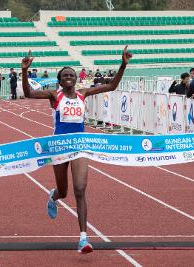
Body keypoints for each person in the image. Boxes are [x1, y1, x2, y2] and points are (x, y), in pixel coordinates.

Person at [21, 46, 132, 254]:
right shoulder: (54, 96)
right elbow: (28, 93)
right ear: (60, 80)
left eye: (72, 75)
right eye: (65, 76)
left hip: (80, 146)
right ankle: (54, 196)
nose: (69, 77)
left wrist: (123, 64)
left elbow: (112, 86)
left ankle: (83, 238)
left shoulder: (84, 94)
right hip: (59, 147)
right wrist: (25, 71)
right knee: (64, 192)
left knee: (80, 190)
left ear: (76, 78)